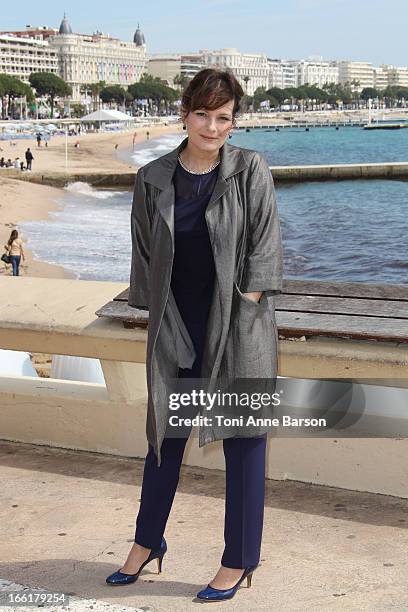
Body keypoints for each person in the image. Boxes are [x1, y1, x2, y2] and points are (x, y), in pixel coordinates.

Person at [105, 68, 283, 602]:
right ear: (184, 113)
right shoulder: (153, 176)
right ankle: (146, 543)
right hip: (177, 330)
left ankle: (239, 559)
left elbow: (265, 252)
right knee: (164, 442)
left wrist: (242, 308)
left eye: (223, 117)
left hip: (236, 330)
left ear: (234, 121)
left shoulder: (250, 169)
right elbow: (142, 253)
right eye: (202, 114)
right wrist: (161, 316)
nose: (212, 126)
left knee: (245, 445)